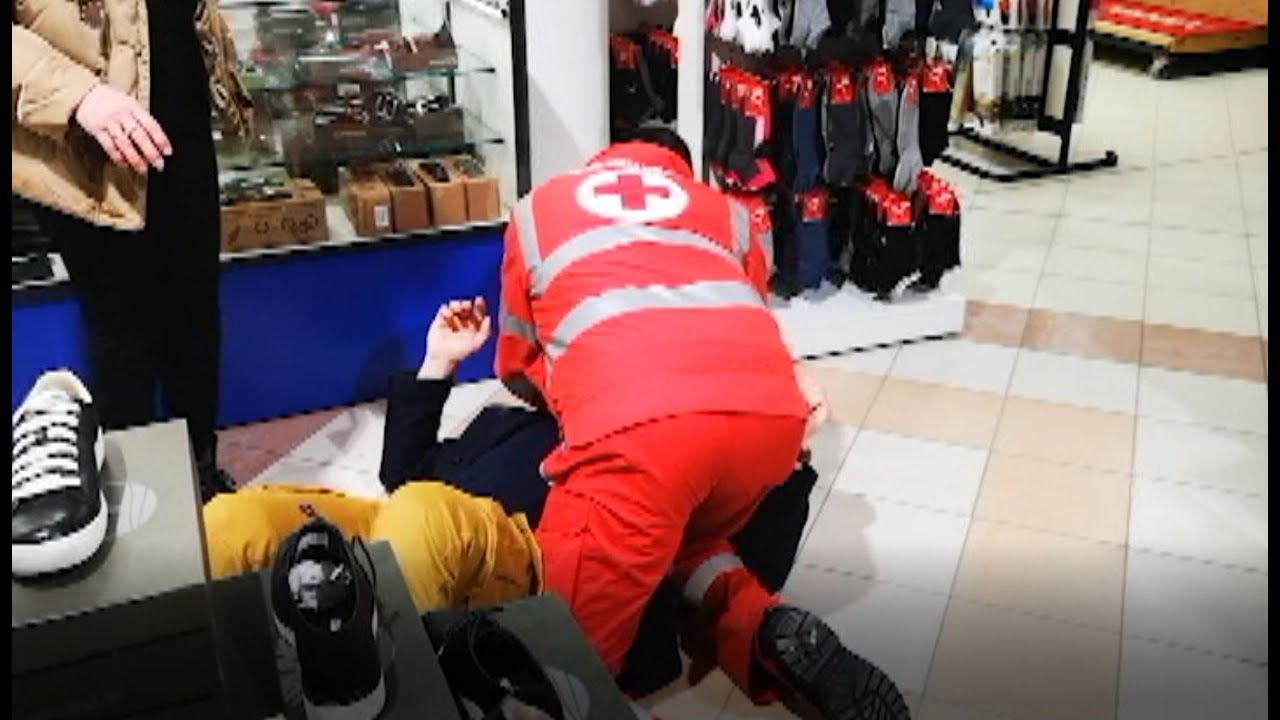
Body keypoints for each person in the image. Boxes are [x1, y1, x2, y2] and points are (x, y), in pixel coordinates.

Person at [204, 297, 822, 697]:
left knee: (422, 518)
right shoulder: (509, 419)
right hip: (401, 535)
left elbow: (730, 565)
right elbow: (402, 474)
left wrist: (791, 453)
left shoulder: (655, 460)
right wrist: (437, 364)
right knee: (235, 521)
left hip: (514, 566)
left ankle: (374, 694)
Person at [496, 128, 910, 718]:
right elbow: (744, 317)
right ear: (682, 172)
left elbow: (515, 360)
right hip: (767, 424)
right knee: (682, 533)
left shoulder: (537, 212)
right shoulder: (729, 214)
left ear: (607, 159)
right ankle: (764, 625)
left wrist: (574, 398)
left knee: (559, 661)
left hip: (639, 433)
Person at [13, 0, 252, 500]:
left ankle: (198, 476)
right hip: (82, 135)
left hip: (176, 110)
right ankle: (138, 497)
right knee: (123, 328)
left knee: (195, 312)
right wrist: (79, 97)